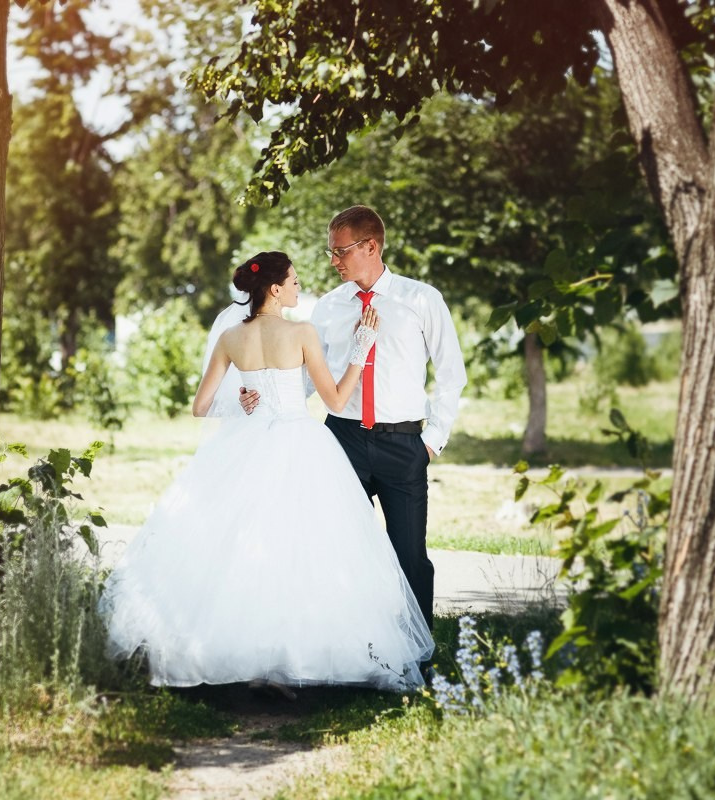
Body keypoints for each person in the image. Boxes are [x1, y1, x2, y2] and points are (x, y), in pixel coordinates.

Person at [100, 251, 434, 693]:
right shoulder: (301, 332)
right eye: (294, 281)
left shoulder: (231, 338)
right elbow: (335, 402)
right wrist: (361, 349)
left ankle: (249, 659)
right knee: (302, 547)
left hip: (247, 444)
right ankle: (295, 655)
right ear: (274, 289)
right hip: (300, 444)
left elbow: (200, 407)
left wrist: (240, 399)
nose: (299, 287)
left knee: (242, 547)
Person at [241, 206, 467, 637]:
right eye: (331, 252)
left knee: (409, 556)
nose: (333, 261)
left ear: (371, 247)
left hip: (404, 445)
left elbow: (451, 374)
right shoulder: (328, 308)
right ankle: (345, 645)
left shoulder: (421, 300)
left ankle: (416, 655)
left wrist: (432, 441)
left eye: (341, 251)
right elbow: (307, 376)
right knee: (338, 548)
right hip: (340, 441)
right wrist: (262, 392)